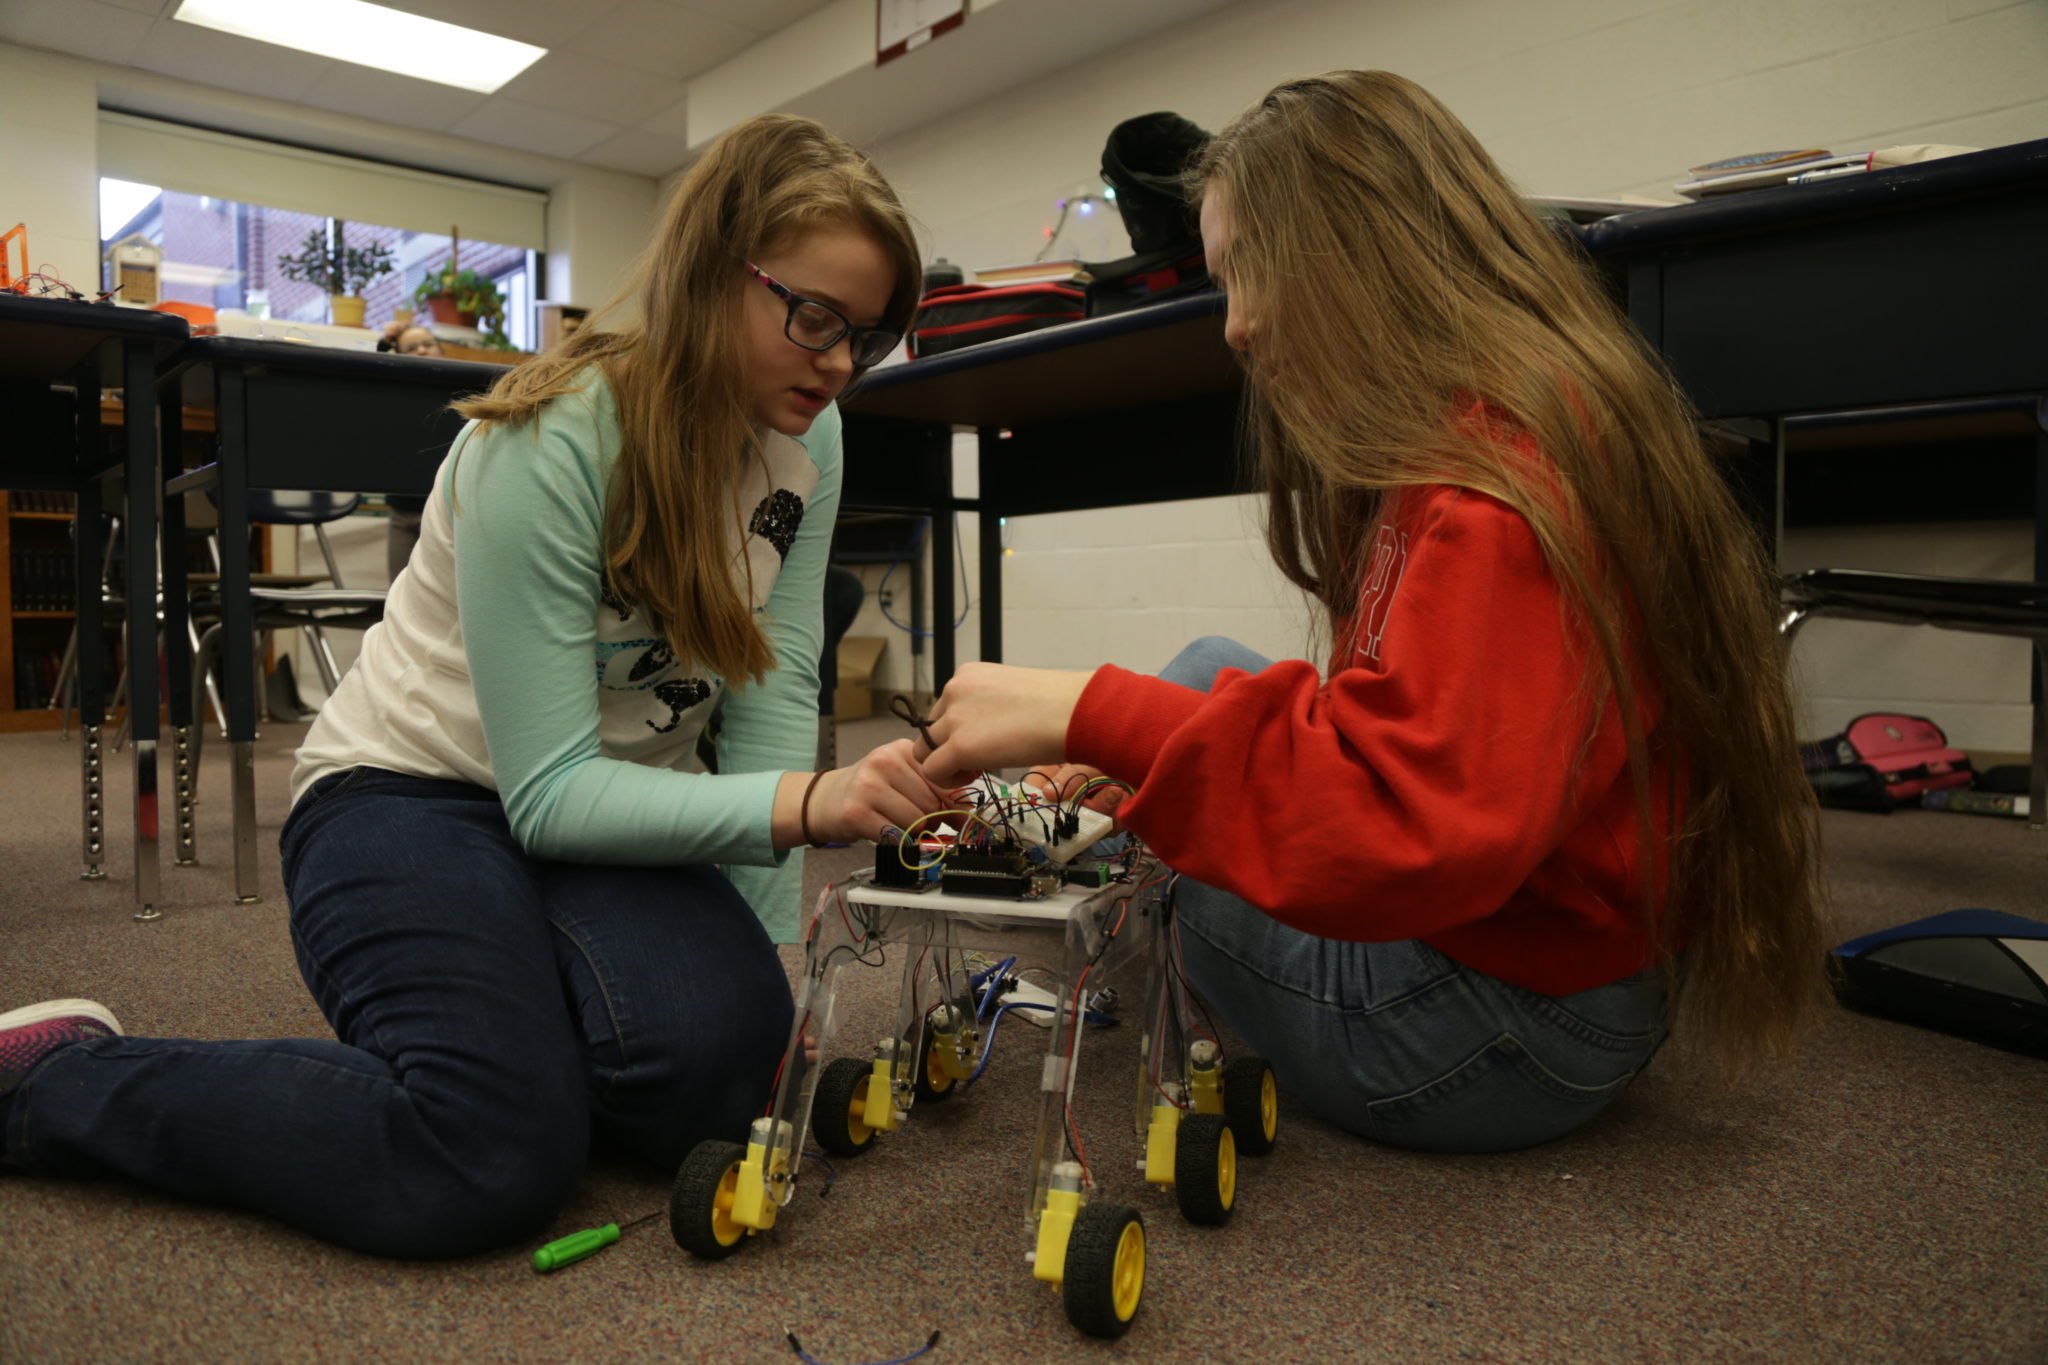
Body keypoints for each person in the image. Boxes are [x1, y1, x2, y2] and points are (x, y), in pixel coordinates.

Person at [0, 114, 953, 1256]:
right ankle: (54, 1078)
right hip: (409, 796)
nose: (840, 361)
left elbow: (766, 690)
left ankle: (522, 1016)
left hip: (612, 820)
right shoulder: (552, 441)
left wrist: (772, 989)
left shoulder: (815, 438)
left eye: (870, 334)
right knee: (485, 1156)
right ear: (709, 277)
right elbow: (548, 795)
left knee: (730, 1087)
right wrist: (810, 805)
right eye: (812, 318)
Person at [914, 71, 1831, 1153]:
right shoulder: (1472, 423)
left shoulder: (1497, 487)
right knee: (1204, 672)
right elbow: (1390, 731)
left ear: (1366, 249)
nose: (1238, 327)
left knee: (1159, 842)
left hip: (1489, 1028)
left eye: (1253, 271)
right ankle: (1088, 824)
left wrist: (1094, 719)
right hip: (1550, 949)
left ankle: (1052, 866)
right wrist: (1134, 745)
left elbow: (1408, 829)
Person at [376, 321, 446, 574]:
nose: (422, 351)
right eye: (412, 347)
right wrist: (385, 343)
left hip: (444, 512)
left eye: (428, 344)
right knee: (397, 591)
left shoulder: (454, 392)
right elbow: (375, 371)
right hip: (403, 511)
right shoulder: (393, 395)